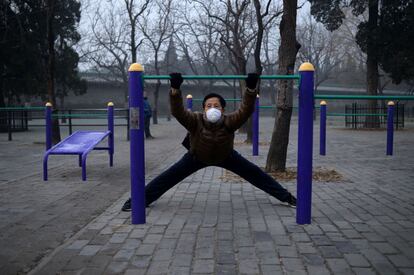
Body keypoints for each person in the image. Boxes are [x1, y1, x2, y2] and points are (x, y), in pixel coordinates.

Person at [122, 73, 296, 211]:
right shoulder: (195, 120)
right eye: (209, 106)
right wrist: (175, 90)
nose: (213, 108)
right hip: (196, 157)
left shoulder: (229, 120)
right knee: (168, 177)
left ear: (223, 109)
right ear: (203, 108)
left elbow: (245, 110)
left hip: (226, 156)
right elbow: (178, 112)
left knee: (256, 175)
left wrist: (251, 89)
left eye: (217, 106)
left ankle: (286, 197)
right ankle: (137, 201)